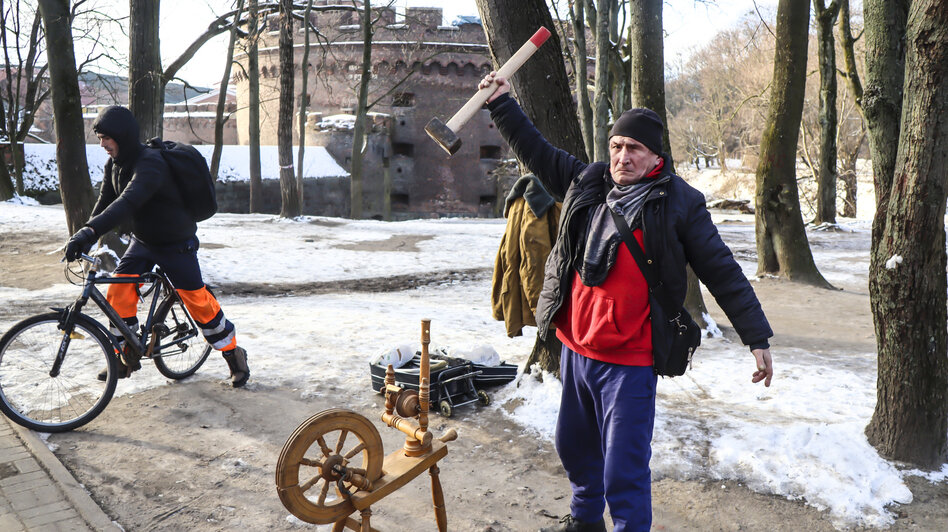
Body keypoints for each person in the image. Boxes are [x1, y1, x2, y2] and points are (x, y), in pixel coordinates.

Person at [478, 72, 774, 532]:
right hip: (577, 347)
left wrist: (756, 336)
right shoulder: (588, 183)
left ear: (656, 155)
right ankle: (585, 522)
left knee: (624, 469)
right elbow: (535, 150)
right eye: (617, 146)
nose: (622, 156)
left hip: (630, 360)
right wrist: (501, 103)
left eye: (634, 148)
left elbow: (722, 270)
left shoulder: (680, 203)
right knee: (574, 449)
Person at [64, 105, 250, 388]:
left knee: (198, 303)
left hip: (176, 243)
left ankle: (233, 354)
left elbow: (127, 203)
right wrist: (84, 234)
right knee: (118, 291)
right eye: (99, 138)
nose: (102, 144)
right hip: (144, 241)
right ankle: (126, 354)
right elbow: (105, 202)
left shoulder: (151, 164)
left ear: (122, 136)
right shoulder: (114, 164)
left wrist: (89, 232)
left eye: (106, 138)